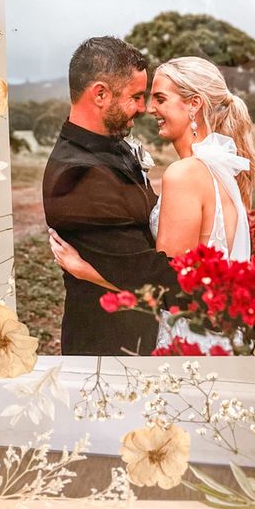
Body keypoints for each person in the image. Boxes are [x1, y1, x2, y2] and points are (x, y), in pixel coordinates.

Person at [48, 54, 255, 354]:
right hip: (218, 339)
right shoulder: (222, 169)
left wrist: (87, 271)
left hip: (186, 341)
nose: (150, 109)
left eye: (160, 98)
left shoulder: (184, 174)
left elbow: (167, 290)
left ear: (194, 104)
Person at [42, 36, 180, 355]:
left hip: (139, 336)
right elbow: (148, 278)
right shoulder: (78, 175)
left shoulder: (109, 146)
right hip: (108, 347)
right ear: (100, 94)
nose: (143, 108)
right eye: (135, 96)